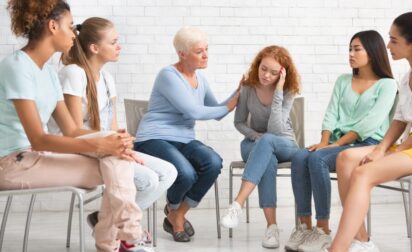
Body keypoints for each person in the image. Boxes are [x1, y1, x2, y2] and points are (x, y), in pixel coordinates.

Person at [0, 1, 154, 251]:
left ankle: (118, 239)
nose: (75, 34)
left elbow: (71, 129)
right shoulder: (17, 67)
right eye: (71, 27)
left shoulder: (48, 71)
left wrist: (112, 141)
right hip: (11, 163)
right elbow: (38, 138)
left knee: (116, 157)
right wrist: (101, 143)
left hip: (36, 156)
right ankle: (125, 235)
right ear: (52, 26)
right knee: (115, 164)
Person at [325, 12, 412, 252]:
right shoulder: (406, 76)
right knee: (345, 158)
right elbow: (399, 120)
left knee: (363, 174)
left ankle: (338, 248)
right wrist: (381, 149)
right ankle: (363, 240)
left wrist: (397, 150)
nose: (387, 45)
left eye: (393, 40)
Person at [48, 17, 177, 226]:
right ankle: (120, 229)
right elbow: (73, 131)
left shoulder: (107, 79)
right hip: (75, 148)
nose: (119, 46)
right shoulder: (74, 74)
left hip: (103, 146)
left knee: (169, 172)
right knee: (148, 180)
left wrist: (125, 146)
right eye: (113, 42)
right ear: (95, 48)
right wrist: (116, 146)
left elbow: (113, 127)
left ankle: (105, 221)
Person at [285, 30, 398, 252]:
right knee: (300, 156)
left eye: (357, 49)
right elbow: (330, 114)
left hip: (368, 143)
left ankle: (323, 229)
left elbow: (370, 124)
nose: (351, 54)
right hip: (337, 143)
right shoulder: (343, 80)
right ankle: (304, 227)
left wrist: (335, 145)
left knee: (316, 159)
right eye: (350, 48)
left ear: (373, 53)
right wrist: (325, 140)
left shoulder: (387, 84)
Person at [134, 26, 239, 242]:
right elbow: (193, 111)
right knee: (186, 173)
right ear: (182, 53)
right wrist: (231, 104)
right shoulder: (168, 75)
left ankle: (177, 213)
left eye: (207, 49)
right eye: (199, 51)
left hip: (183, 139)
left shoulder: (201, 80)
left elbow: (217, 111)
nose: (206, 55)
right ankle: (174, 214)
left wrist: (239, 92)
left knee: (212, 162)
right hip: (154, 138)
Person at [220, 45, 301, 249]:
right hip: (256, 143)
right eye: (264, 68)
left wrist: (279, 90)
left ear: (282, 74)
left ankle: (237, 203)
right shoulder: (247, 88)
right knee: (267, 159)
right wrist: (255, 135)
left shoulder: (287, 90)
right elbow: (238, 122)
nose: (266, 75)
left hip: (285, 143)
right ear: (258, 64)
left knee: (268, 142)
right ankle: (271, 228)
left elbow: (275, 129)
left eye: (274, 73)